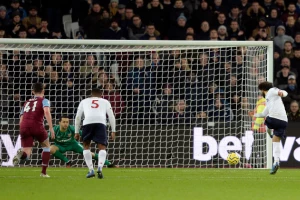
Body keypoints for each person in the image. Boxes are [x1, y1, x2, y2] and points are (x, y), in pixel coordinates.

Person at [13, 83, 55, 178]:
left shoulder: (26, 102)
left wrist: (24, 131)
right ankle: (43, 173)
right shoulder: (44, 100)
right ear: (43, 91)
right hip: (37, 125)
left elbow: (21, 118)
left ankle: (21, 154)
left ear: (33, 92)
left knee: (26, 155)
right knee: (46, 146)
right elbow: (47, 112)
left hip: (24, 126)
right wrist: (51, 128)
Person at [75, 88, 116, 179]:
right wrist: (113, 130)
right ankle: (100, 168)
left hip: (88, 123)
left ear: (91, 95)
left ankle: (91, 170)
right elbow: (111, 116)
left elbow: (78, 117)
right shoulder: (105, 101)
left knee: (86, 146)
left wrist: (76, 132)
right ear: (101, 95)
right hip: (101, 123)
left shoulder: (84, 101)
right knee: (102, 147)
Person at [50, 115, 116, 168]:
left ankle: (109, 163)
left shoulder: (71, 128)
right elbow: (46, 138)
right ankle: (67, 161)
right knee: (51, 148)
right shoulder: (55, 130)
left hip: (73, 145)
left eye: (67, 122)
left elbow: (83, 134)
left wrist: (91, 138)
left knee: (90, 154)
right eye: (63, 122)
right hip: (60, 146)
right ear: (59, 122)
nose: (65, 124)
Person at [255, 82, 288, 175]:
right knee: (276, 141)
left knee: (268, 122)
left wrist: (282, 93)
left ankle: (269, 131)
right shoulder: (269, 101)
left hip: (274, 119)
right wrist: (254, 114)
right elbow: (262, 114)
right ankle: (276, 161)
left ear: (262, 89)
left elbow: (283, 92)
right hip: (283, 121)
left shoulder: (271, 91)